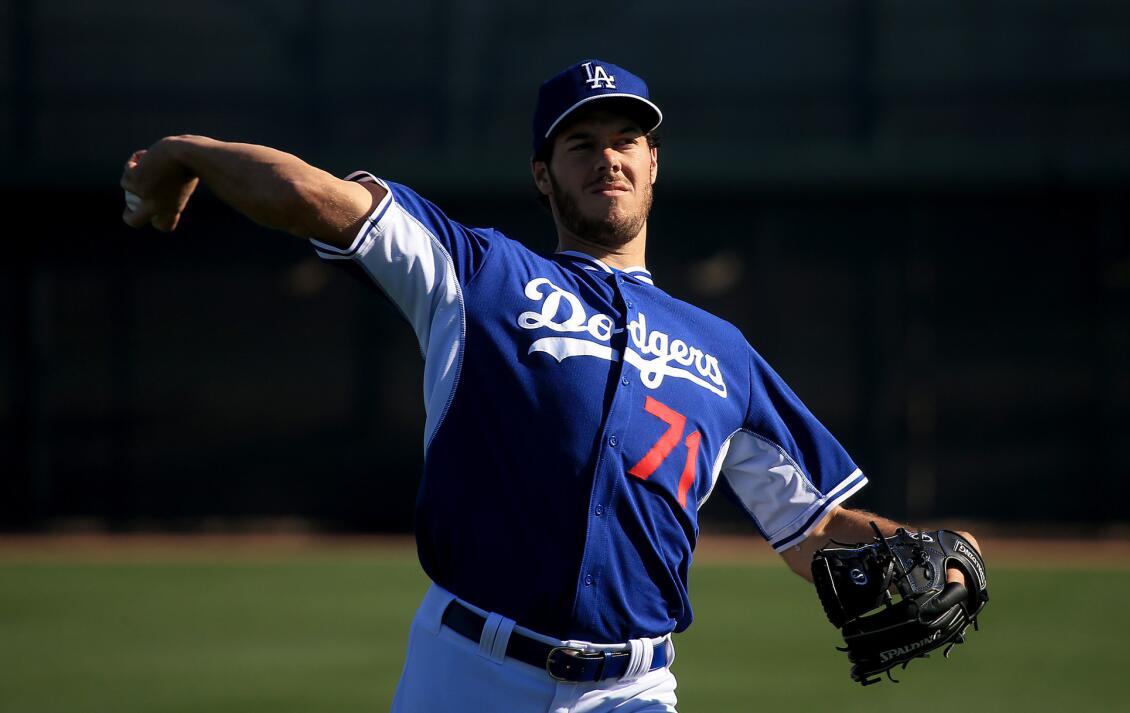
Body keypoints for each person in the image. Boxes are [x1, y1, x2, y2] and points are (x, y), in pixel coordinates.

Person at [121, 59, 980, 712]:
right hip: (467, 671)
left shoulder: (724, 352)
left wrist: (936, 551)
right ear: (544, 173)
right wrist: (187, 151)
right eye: (581, 142)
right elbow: (316, 199)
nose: (607, 158)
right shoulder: (477, 274)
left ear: (653, 165)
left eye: (625, 141)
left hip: (632, 692)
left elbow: (813, 523)